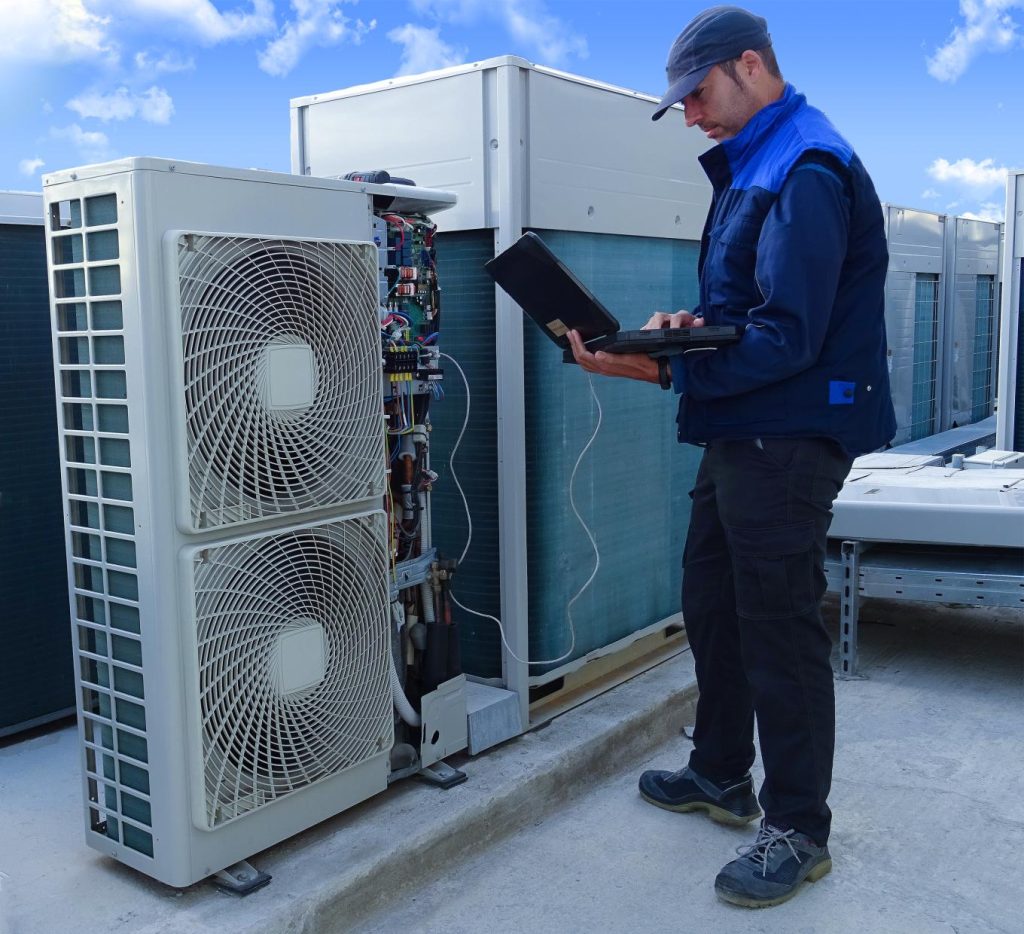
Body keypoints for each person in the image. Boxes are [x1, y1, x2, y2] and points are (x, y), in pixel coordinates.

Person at [568, 4, 896, 910]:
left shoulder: (807, 166)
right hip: (744, 426)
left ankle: (798, 827)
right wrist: (688, 329)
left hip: (789, 434)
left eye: (697, 93)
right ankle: (720, 771)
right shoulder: (761, 158)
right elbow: (754, 310)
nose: (690, 115)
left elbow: (789, 337)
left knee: (778, 623)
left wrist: (659, 368)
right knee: (712, 602)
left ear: (751, 66)